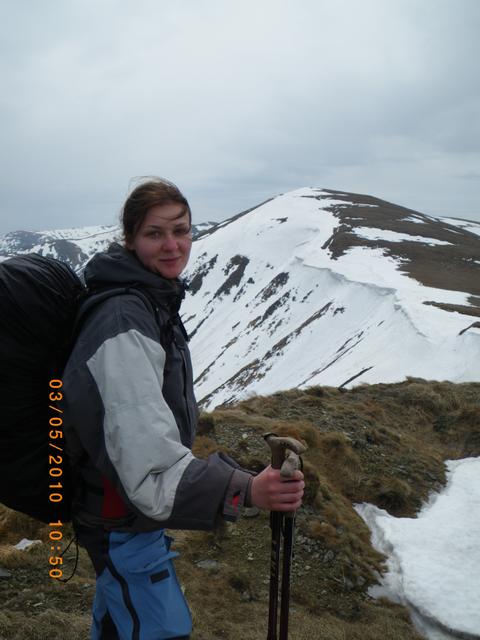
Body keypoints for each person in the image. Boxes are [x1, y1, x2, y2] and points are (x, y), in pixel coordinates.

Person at [63, 177, 305, 640]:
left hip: (124, 515)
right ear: (130, 239)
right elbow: (148, 466)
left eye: (181, 230)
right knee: (161, 630)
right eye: (155, 233)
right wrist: (247, 489)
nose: (172, 245)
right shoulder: (125, 322)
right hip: (122, 520)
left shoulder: (151, 300)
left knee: (118, 621)